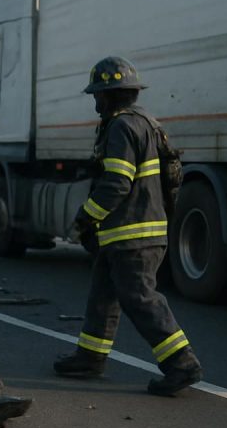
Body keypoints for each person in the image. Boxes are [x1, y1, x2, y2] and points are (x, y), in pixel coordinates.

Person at [53, 56, 203, 397]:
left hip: (133, 233)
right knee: (103, 296)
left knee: (139, 298)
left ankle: (182, 362)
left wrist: (86, 217)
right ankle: (90, 357)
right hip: (129, 232)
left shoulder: (121, 127)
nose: (94, 102)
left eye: (97, 95)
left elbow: (117, 182)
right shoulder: (146, 122)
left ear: (108, 95)